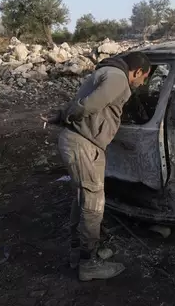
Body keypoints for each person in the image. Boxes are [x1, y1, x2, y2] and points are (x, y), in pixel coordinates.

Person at [41, 51, 151, 281]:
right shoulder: (119, 78)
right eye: (144, 77)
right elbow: (90, 104)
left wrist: (63, 115)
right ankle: (89, 263)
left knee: (82, 200)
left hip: (79, 141)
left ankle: (79, 253)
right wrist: (67, 116)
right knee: (92, 204)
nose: (143, 83)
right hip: (83, 144)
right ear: (137, 71)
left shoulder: (105, 71)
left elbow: (85, 103)